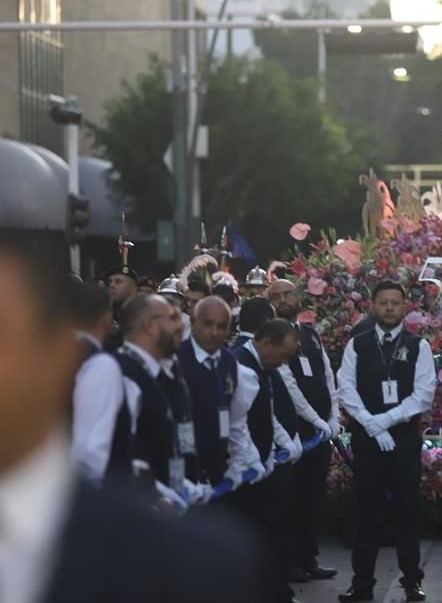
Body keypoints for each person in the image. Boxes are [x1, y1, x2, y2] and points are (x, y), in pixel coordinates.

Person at [0, 230, 266, 603]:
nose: (179, 324)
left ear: (56, 356)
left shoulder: (199, 560)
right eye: (170, 315)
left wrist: (173, 491)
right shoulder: (115, 369)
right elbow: (100, 453)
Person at [337, 281, 437, 602]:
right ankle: (362, 583)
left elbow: (423, 395)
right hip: (368, 441)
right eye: (384, 303)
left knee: (407, 512)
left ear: (404, 307)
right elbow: (345, 389)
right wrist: (370, 423)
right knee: (367, 512)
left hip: (404, 440)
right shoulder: (357, 344)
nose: (390, 308)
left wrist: (386, 421)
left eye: (395, 302)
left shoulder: (419, 345)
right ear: (373, 306)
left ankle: (411, 581)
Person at [267, 278, 339, 582]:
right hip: (293, 433)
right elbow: (289, 386)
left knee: (312, 498)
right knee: (290, 500)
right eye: (277, 296)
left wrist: (334, 417)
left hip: (320, 434)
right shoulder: (271, 338)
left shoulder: (310, 334)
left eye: (288, 294)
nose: (284, 300)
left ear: (297, 297)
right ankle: (288, 562)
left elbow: (327, 377)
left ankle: (308, 557)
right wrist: (316, 421)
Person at [232, 318, 302, 603]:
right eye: (282, 355)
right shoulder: (241, 364)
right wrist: (251, 459)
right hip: (245, 470)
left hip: (261, 464)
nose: (284, 362)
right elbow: (238, 421)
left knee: (269, 532)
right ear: (266, 343)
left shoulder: (262, 365)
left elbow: (266, 412)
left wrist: (280, 445)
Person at [115, 294, 204, 507]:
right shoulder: (123, 373)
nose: (180, 325)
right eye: (172, 318)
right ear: (151, 326)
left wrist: (179, 485)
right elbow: (121, 454)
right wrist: (157, 495)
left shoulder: (156, 372)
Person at [177, 296, 261, 487]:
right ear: (192, 322)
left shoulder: (229, 362)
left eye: (222, 327)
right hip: (184, 474)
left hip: (218, 470)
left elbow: (237, 420)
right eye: (207, 324)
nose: (214, 333)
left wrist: (239, 464)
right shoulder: (175, 360)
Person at [68, 281, 137, 484]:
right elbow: (90, 453)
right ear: (106, 317)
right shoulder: (100, 365)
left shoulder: (48, 358)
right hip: (91, 499)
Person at [101, 262, 139, 350]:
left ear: (133, 288)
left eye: (118, 281)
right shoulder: (101, 315)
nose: (112, 285)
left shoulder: (143, 315)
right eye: (110, 282)